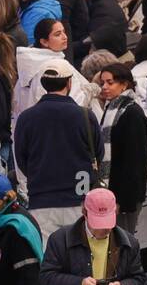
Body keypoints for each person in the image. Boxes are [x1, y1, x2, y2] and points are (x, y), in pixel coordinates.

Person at [13, 61, 101, 241]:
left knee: (48, 259)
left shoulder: (26, 118)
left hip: (41, 197)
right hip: (79, 195)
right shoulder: (84, 115)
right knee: (81, 255)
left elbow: (21, 159)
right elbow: (98, 153)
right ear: (69, 83)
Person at [96, 64, 147, 234]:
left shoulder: (131, 113)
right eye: (102, 82)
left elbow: (135, 161)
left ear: (124, 85)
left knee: (124, 242)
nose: (104, 87)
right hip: (111, 191)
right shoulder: (112, 109)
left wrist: (123, 201)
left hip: (125, 197)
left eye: (110, 82)